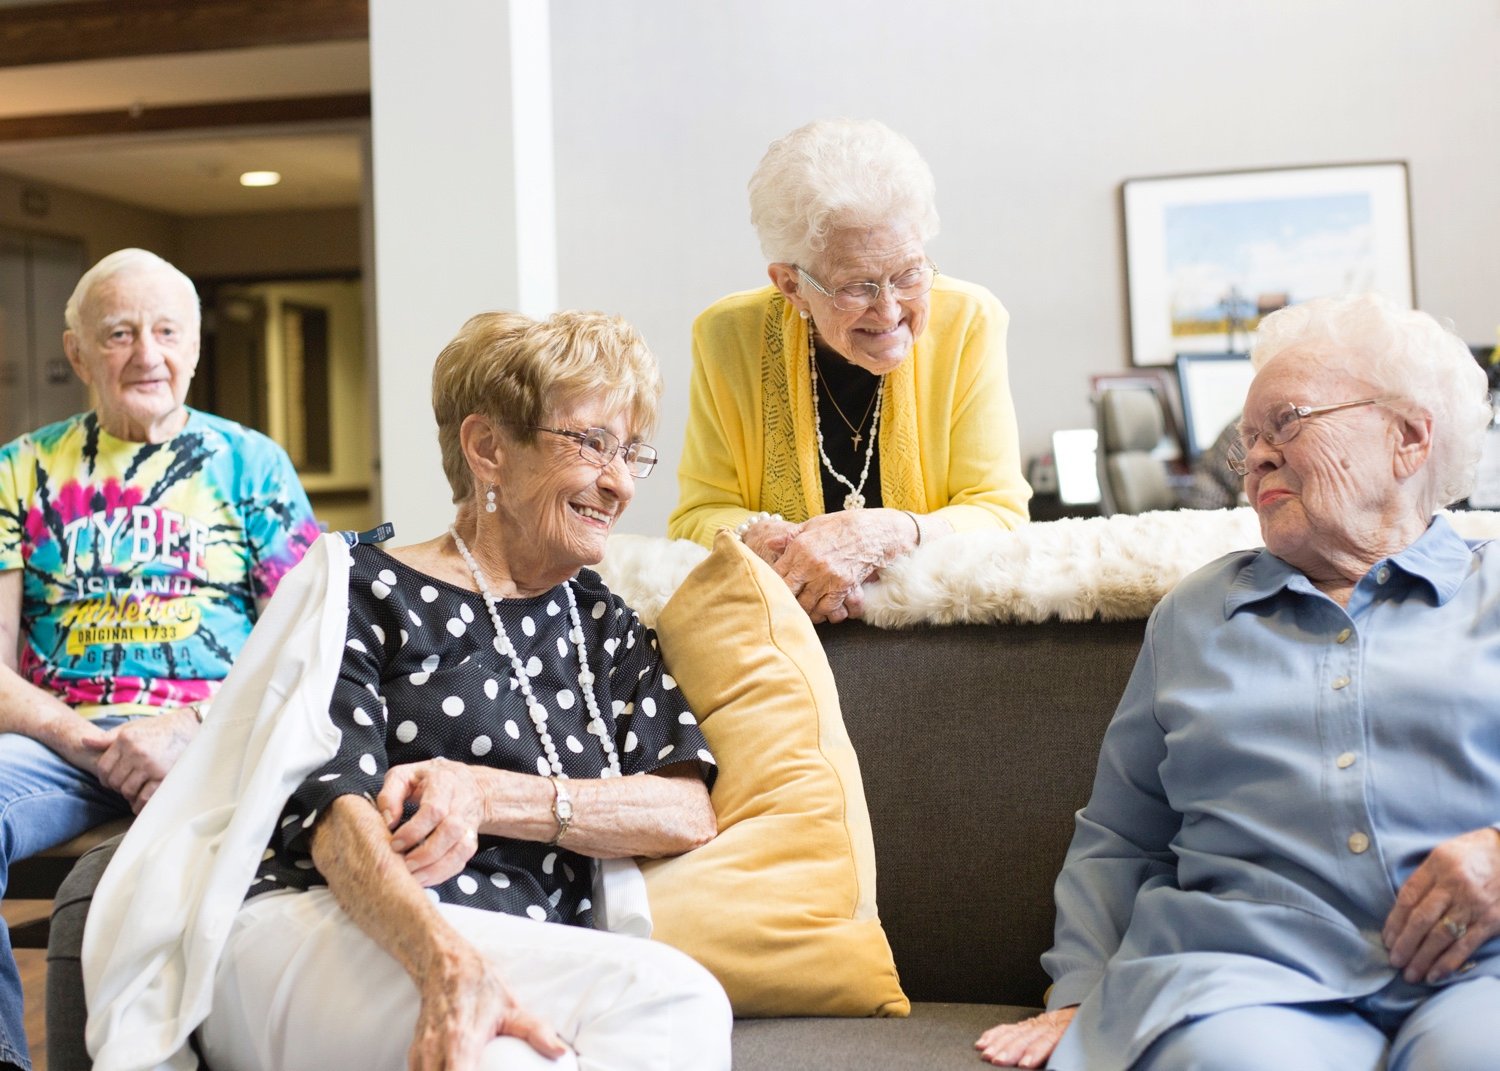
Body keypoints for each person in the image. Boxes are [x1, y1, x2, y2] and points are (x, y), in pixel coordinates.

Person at [124, 310, 728, 1071]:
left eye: (629, 451)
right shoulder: (359, 586)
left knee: (625, 1027)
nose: (617, 482)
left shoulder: (602, 619)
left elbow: (686, 807)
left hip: (527, 944)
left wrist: (486, 793)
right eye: (591, 443)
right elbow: (333, 814)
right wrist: (447, 963)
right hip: (329, 924)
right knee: (648, 1011)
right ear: (487, 449)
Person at [976, 293, 1500, 1070]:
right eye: (1246, 440)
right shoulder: (1194, 615)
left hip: (1480, 968)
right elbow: (1122, 837)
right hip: (1248, 977)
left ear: (1409, 436)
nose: (1254, 457)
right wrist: (1082, 988)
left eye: (1286, 422)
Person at [0, 248, 317, 1071]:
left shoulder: (251, 465)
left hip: (214, 733)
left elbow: (309, 641)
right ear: (76, 352)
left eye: (167, 330)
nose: (147, 354)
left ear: (196, 346)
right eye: (118, 333)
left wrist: (189, 724)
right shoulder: (18, 471)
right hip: (62, 740)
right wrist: (90, 740)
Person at [668, 118, 1030, 624]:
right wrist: (766, 538)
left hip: (937, 637)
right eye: (856, 287)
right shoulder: (727, 336)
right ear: (791, 285)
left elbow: (1000, 512)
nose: (889, 312)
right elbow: (698, 515)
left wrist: (895, 532)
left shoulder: (969, 321)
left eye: (908, 274)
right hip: (782, 637)